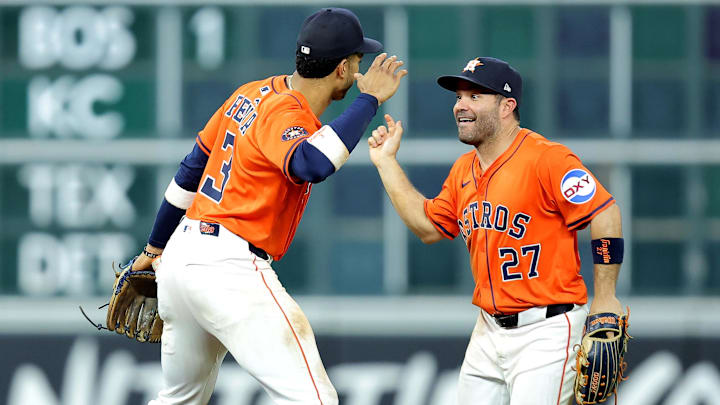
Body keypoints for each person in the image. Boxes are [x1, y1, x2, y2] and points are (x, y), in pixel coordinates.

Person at [124, 7, 407, 405]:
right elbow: (312, 163)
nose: (361, 69)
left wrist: (154, 248)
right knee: (315, 400)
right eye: (358, 60)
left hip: (182, 257)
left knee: (178, 400)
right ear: (342, 69)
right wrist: (370, 99)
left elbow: (190, 172)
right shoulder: (285, 110)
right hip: (227, 268)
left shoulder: (249, 94)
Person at [367, 56, 626, 405]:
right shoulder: (464, 170)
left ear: (507, 106)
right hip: (488, 330)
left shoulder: (547, 159)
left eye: (475, 97)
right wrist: (386, 163)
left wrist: (606, 296)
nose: (460, 106)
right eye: (459, 96)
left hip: (547, 329)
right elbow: (428, 227)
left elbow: (604, 212)